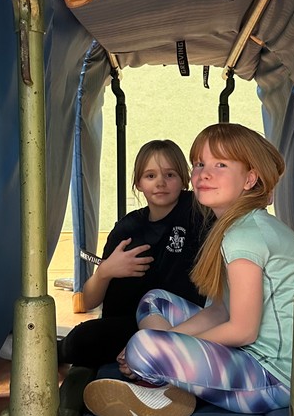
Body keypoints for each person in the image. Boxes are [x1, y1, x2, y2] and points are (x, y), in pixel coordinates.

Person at [83, 122, 294, 416]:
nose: (204, 174)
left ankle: (159, 387)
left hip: (273, 379)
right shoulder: (235, 228)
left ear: (250, 179)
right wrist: (169, 342)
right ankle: (167, 385)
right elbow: (220, 311)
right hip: (251, 359)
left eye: (220, 165)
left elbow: (243, 330)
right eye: (199, 164)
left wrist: (164, 350)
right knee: (154, 301)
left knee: (142, 346)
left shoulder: (245, 237)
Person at [58, 139, 208, 371]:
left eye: (170, 175)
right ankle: (54, 352)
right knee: (83, 339)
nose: (160, 183)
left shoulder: (196, 211)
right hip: (130, 325)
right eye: (150, 176)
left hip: (180, 323)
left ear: (184, 180)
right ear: (138, 183)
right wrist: (105, 272)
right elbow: (87, 301)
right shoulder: (127, 229)